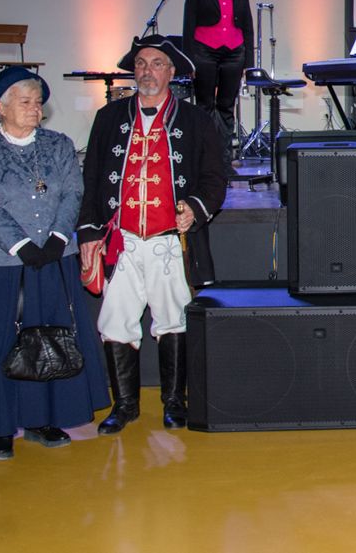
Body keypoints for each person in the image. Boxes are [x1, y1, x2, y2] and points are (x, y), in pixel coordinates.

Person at [0, 68, 109, 459]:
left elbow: (73, 193)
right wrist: (21, 246)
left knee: (50, 338)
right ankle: (1, 427)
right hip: (2, 263)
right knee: (3, 342)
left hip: (53, 258)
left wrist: (56, 238)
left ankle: (43, 419)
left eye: (38, 102)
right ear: (1, 107)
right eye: (25, 102)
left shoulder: (59, 145)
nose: (35, 109)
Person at [78, 35, 229, 432]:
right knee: (116, 320)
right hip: (121, 239)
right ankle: (124, 405)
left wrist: (195, 207)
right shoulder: (109, 118)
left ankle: (174, 402)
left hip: (169, 240)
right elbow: (91, 178)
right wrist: (89, 233)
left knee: (174, 318)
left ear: (172, 72)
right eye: (141, 64)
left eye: (157, 63)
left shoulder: (196, 120)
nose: (147, 71)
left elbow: (215, 178)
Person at [182, 0, 254, 144]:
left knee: (227, 105)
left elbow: (247, 27)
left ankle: (224, 154)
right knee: (205, 104)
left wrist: (248, 64)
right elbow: (188, 25)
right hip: (204, 52)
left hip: (234, 53)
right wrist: (188, 61)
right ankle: (204, 152)